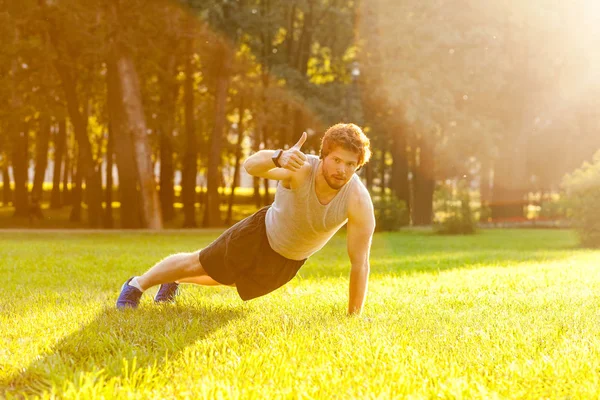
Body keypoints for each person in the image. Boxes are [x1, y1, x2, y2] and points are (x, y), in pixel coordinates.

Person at [116, 123, 375, 315]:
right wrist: (279, 156)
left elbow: (360, 263)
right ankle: (136, 285)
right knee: (200, 262)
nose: (342, 170)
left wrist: (354, 316)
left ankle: (173, 279)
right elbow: (251, 166)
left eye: (351, 164)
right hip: (259, 234)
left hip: (289, 259)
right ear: (324, 157)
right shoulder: (302, 169)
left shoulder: (358, 201)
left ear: (358, 166)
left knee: (228, 279)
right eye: (337, 160)